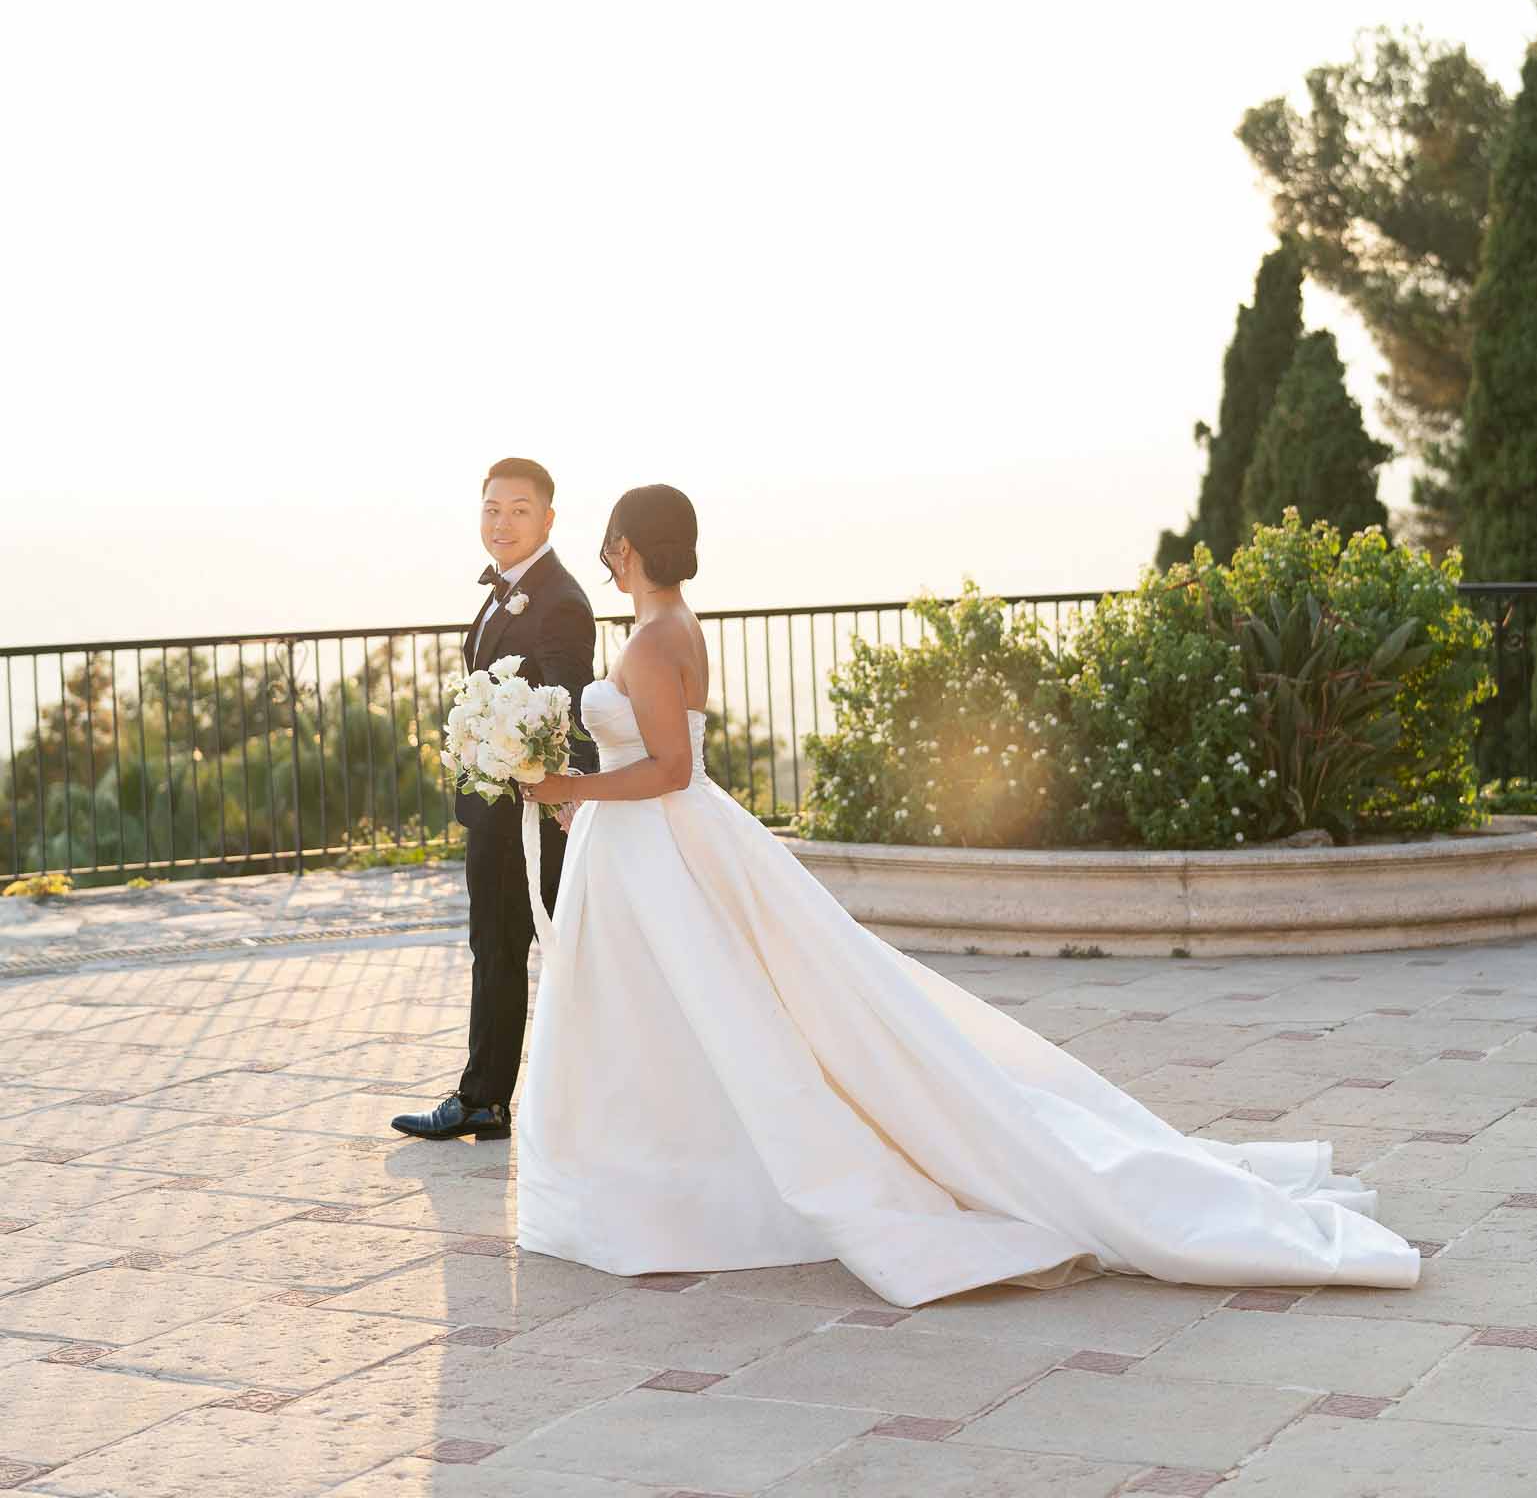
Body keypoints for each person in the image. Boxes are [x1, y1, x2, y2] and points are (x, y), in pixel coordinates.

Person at [517, 482, 1421, 1308]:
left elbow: (669, 771)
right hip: (650, 848)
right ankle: (676, 1174)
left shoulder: (648, 639)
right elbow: (662, 766)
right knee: (691, 1014)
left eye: (611, 544)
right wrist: (583, 802)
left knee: (681, 1015)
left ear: (625, 546)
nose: (609, 558)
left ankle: (674, 1187)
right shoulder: (679, 623)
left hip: (661, 843)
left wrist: (566, 789)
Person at [392, 456, 596, 1142]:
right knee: (496, 946)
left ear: (546, 518)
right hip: (496, 801)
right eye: (490, 508)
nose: (500, 522)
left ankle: (484, 1098)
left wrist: (561, 790)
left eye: (516, 510)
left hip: (527, 812)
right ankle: (488, 1095)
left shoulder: (558, 598)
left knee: (505, 948)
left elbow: (569, 704)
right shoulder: (505, 587)